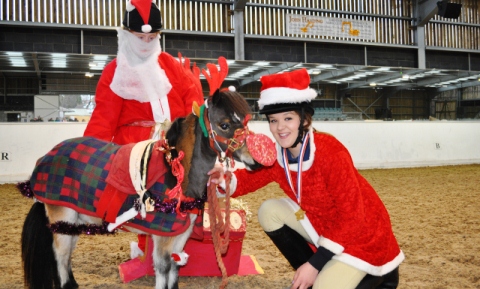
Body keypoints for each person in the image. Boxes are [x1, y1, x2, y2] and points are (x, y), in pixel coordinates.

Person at [209, 68, 404, 289]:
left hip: (362, 236)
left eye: (288, 118)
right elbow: (246, 181)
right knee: (269, 211)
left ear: (304, 120)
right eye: (273, 121)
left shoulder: (331, 152)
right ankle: (314, 270)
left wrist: (315, 264)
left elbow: (352, 217)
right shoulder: (278, 156)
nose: (280, 127)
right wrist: (221, 180)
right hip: (326, 227)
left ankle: (344, 273)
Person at [83, 0, 204, 258]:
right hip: (136, 148)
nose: (146, 43)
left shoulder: (172, 66)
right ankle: (146, 244)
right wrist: (89, 156)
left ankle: (177, 242)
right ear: (127, 34)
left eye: (153, 37)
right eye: (141, 37)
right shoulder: (115, 72)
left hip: (175, 144)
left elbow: (192, 101)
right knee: (145, 199)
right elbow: (103, 119)